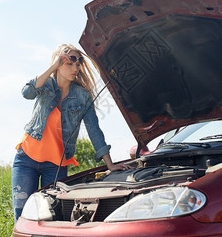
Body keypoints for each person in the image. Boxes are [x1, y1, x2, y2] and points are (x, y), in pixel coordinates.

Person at [11, 44, 132, 222]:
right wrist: (53, 65)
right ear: (59, 63)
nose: (75, 68)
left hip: (56, 166)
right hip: (26, 159)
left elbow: (94, 130)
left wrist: (110, 165)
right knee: (22, 215)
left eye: (78, 64)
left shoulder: (82, 96)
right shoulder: (45, 85)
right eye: (69, 63)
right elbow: (27, 92)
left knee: (51, 217)